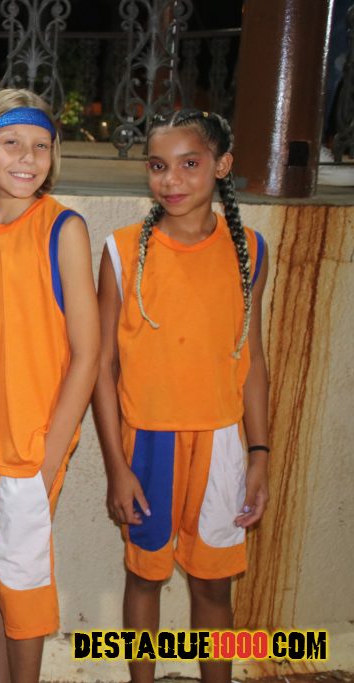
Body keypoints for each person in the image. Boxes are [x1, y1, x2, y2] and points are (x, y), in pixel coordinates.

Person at [92, 109, 270, 683]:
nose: (171, 180)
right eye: (158, 166)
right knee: (144, 578)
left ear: (222, 165)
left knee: (213, 586)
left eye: (189, 164)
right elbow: (101, 367)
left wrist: (259, 454)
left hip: (222, 444)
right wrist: (117, 467)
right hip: (149, 444)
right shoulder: (122, 252)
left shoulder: (250, 250)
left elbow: (253, 360)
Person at [0, 89, 100, 683]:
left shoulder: (63, 229)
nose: (27, 157)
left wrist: (49, 455)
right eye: (11, 142)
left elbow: (87, 353)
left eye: (40, 145)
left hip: (28, 449)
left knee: (23, 587)